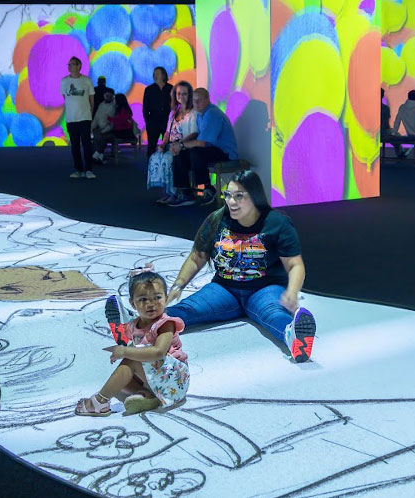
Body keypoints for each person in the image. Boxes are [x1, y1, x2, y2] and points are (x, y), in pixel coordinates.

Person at [164, 170, 316, 363]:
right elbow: (197, 257)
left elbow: (295, 264)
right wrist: (178, 285)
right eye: (228, 195)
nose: (231, 202)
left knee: (274, 314)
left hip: (265, 288)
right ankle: (138, 325)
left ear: (255, 196)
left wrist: (292, 292)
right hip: (224, 288)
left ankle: (294, 337)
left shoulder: (277, 222)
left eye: (239, 196)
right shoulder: (217, 219)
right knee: (187, 309)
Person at [76, 269, 189, 416]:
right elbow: (138, 346)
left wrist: (124, 351)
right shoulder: (136, 325)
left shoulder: (166, 324)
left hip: (175, 381)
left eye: (157, 297)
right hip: (163, 380)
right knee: (123, 379)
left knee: (131, 360)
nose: (151, 304)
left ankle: (99, 401)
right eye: (143, 299)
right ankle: (148, 396)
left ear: (166, 298)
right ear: (133, 303)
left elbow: (159, 352)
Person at [168, 87, 239, 206]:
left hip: (226, 153)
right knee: (183, 153)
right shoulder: (201, 115)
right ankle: (185, 192)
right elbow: (197, 136)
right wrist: (179, 145)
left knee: (196, 151)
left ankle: (208, 189)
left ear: (207, 99)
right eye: (194, 100)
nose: (196, 103)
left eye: (199, 100)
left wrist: (181, 145)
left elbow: (203, 143)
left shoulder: (212, 113)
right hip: (212, 150)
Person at [147, 81, 197, 203]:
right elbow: (167, 133)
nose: (181, 96)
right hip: (171, 145)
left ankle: (177, 193)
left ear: (189, 95)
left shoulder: (193, 113)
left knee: (169, 158)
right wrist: (163, 144)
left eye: (185, 94)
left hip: (184, 145)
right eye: (179, 93)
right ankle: (168, 192)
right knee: (156, 157)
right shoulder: (173, 113)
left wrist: (178, 144)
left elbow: (194, 133)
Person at [61, 56, 96, 179]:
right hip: (71, 118)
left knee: (87, 144)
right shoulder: (64, 81)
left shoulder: (86, 81)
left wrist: (90, 112)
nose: (70, 66)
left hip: (85, 116)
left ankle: (89, 169)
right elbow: (65, 97)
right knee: (75, 145)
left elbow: (92, 98)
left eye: (73, 64)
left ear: (79, 66)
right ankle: (78, 169)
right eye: (69, 64)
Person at [142, 67, 173, 159]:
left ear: (163, 75)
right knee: (151, 146)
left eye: (158, 73)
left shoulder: (170, 88)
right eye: (154, 74)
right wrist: (148, 120)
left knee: (167, 145)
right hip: (153, 121)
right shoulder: (149, 89)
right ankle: (151, 169)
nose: (155, 76)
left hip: (167, 120)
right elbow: (145, 107)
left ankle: (167, 167)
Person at [91, 88, 116, 164]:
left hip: (111, 129)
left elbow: (112, 123)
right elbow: (96, 118)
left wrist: (103, 130)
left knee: (101, 136)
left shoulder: (115, 106)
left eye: (109, 95)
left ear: (112, 96)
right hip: (101, 128)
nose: (107, 97)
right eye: (106, 95)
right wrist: (91, 128)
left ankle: (95, 156)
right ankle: (99, 157)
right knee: (96, 135)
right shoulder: (101, 105)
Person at [380, 88, 406, 158]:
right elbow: (386, 124)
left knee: (393, 133)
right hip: (381, 133)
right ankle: (400, 153)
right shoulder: (385, 108)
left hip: (371, 133)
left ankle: (400, 152)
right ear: (382, 96)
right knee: (396, 135)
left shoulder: (369, 108)